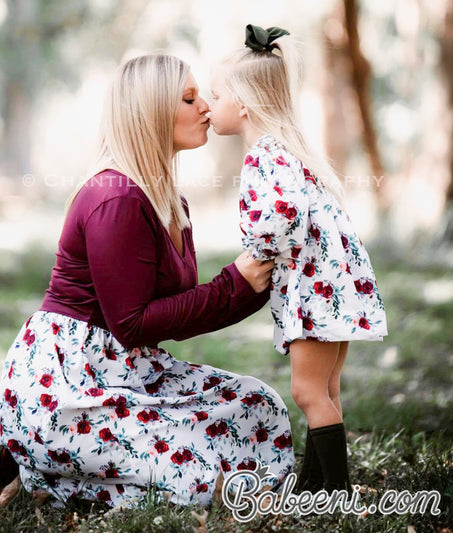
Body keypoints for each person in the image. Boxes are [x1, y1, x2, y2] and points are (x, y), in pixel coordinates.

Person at [0, 54, 294, 511]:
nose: (207, 108)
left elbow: (177, 314)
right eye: (190, 99)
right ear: (151, 110)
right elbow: (132, 324)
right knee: (190, 479)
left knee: (258, 405)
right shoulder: (115, 197)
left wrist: (262, 282)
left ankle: (67, 474)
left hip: (131, 370)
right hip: (69, 383)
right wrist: (236, 282)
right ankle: (38, 476)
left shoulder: (168, 200)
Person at [208, 25, 388, 494]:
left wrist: (257, 249)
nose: (209, 107)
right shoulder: (286, 151)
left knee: (309, 393)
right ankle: (315, 487)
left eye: (216, 96)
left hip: (315, 289)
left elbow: (283, 214)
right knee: (325, 393)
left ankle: (338, 494)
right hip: (332, 284)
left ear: (243, 104)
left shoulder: (263, 156)